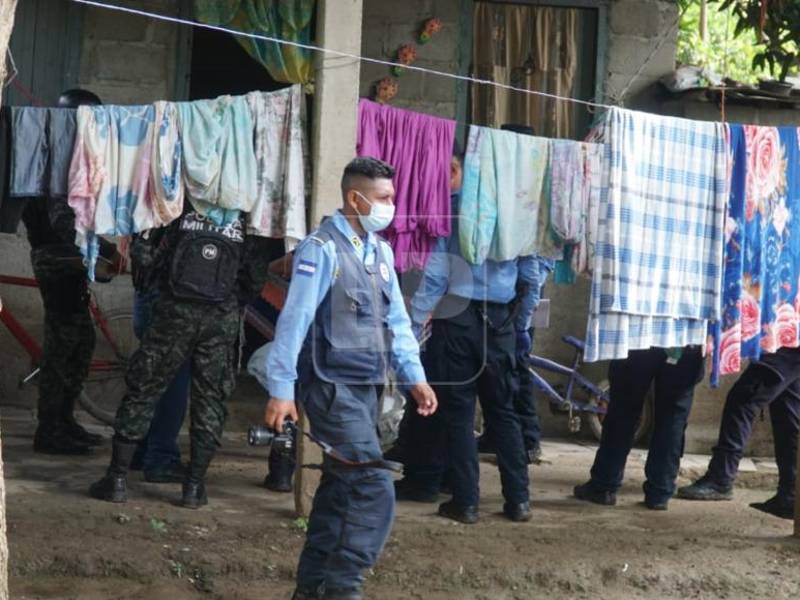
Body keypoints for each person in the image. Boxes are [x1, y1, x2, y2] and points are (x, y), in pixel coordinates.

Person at [262, 157, 436, 600]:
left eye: (392, 198)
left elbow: (397, 321)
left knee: (340, 491)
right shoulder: (320, 250)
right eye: (383, 198)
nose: (391, 206)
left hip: (366, 391)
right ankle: (343, 590)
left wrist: (414, 376)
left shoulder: (380, 252)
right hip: (329, 389)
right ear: (354, 198)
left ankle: (311, 589)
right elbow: (294, 321)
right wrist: (281, 391)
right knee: (373, 485)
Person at [396, 150, 537, 525]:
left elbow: (438, 274)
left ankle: (467, 503)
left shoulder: (455, 211)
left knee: (458, 414)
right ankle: (519, 501)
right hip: (501, 323)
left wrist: (412, 324)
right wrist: (518, 326)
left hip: (457, 319)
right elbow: (532, 277)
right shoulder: (516, 213)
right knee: (503, 412)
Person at [89, 206, 245, 509]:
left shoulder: (171, 203)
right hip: (221, 316)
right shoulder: (247, 214)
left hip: (174, 310)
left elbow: (145, 257)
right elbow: (253, 273)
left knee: (144, 388)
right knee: (210, 400)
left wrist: (160, 285)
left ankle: (117, 480)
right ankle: (194, 487)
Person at [22, 88, 123, 455]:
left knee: (80, 343)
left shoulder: (67, 153)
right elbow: (64, 221)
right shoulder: (56, 158)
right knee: (63, 347)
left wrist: (104, 249)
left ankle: (64, 420)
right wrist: (101, 251)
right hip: (58, 260)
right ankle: (49, 430)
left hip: (69, 260)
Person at [574, 346, 705, 510]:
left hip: (640, 333)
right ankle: (660, 492)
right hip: (687, 336)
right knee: (674, 414)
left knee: (623, 407)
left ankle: (604, 485)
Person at [677, 348, 800, 520]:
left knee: (743, 400)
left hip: (788, 342)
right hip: (791, 342)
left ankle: (720, 478)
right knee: (787, 414)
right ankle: (791, 495)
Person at [126, 230, 191, 483]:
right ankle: (161, 458)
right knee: (173, 379)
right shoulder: (174, 206)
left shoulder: (146, 204)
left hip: (147, 290)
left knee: (150, 378)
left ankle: (139, 449)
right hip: (166, 297)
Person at [478, 256, 553, 463]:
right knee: (501, 371)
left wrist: (522, 325)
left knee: (517, 369)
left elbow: (534, 270)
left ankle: (528, 443)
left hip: (522, 293)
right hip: (520, 288)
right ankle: (496, 436)